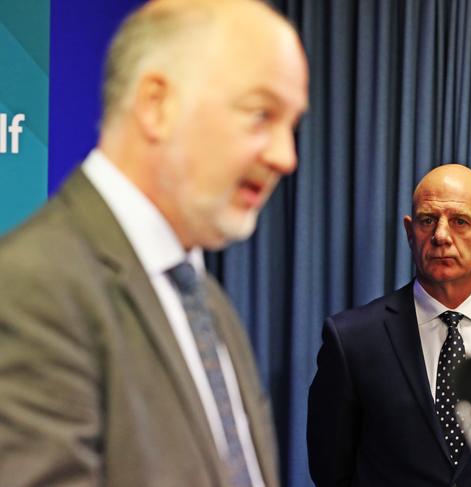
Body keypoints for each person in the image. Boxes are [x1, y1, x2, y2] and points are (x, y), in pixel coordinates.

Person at [0, 0, 308, 486]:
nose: (285, 156)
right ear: (156, 105)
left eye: (291, 125)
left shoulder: (209, 304)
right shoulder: (30, 287)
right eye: (261, 114)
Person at [307, 164, 471, 486]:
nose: (441, 236)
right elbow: (330, 468)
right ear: (410, 232)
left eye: (460, 222)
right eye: (427, 220)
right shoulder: (351, 339)